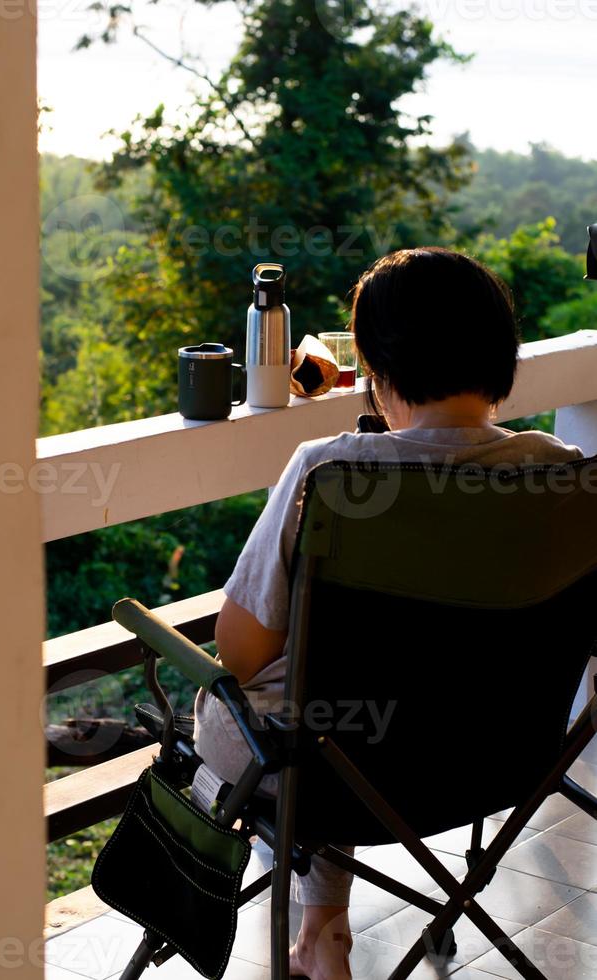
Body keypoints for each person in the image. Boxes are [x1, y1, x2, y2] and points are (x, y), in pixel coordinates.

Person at [193, 247, 583, 980]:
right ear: (502, 356)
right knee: (338, 686)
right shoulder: (563, 472)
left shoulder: (330, 469)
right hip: (499, 761)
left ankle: (303, 928)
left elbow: (240, 653)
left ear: (374, 361)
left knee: (266, 698)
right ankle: (322, 931)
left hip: (341, 773)